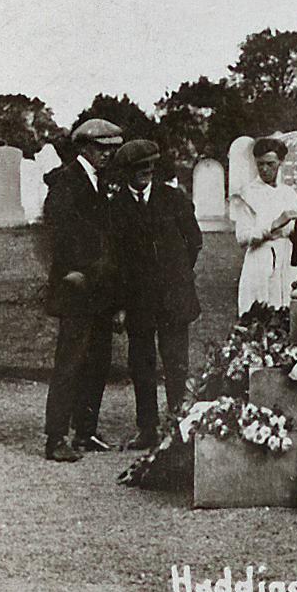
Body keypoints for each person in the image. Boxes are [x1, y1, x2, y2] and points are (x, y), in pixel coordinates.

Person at [108, 137, 203, 449]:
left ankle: (178, 428)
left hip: (174, 297)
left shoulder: (173, 198)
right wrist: (121, 303)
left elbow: (194, 241)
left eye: (149, 167)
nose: (145, 173)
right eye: (138, 169)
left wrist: (176, 275)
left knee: (177, 365)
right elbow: (116, 259)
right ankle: (147, 428)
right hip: (139, 301)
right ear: (127, 173)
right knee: (143, 366)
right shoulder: (117, 206)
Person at [42, 117, 124, 461]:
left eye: (111, 149)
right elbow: (58, 233)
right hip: (77, 286)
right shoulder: (66, 182)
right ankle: (56, 437)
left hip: (101, 288)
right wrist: (76, 269)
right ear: (84, 148)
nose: (107, 155)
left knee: (98, 362)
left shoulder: (102, 182)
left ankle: (85, 431)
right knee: (70, 362)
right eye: (101, 148)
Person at [230, 136, 297, 315]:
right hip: (260, 261)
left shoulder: (289, 193)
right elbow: (242, 237)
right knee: (260, 313)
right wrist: (274, 224)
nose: (264, 169)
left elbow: (293, 235)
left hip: (287, 261)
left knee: (289, 312)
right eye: (260, 164)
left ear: (280, 162)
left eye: (270, 164)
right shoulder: (247, 194)